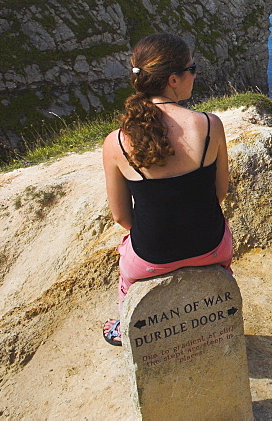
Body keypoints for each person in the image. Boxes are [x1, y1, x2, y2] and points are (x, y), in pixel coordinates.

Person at [100, 33, 234, 346]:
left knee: (126, 270)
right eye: (192, 68)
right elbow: (220, 193)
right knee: (221, 249)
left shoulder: (115, 142)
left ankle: (127, 324)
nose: (195, 75)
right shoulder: (210, 124)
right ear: (173, 80)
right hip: (210, 246)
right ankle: (221, 295)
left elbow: (121, 216)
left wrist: (160, 232)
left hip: (151, 255)